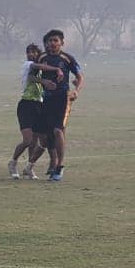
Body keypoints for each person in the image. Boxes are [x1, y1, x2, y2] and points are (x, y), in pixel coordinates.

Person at [35, 30, 83, 182]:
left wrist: (76, 90)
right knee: (46, 135)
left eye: (55, 40)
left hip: (63, 99)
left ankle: (59, 166)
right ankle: (53, 161)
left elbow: (80, 77)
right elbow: (32, 76)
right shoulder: (42, 57)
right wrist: (43, 81)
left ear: (62, 42)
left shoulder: (67, 58)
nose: (52, 43)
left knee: (58, 130)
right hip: (46, 99)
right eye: (50, 41)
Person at [9, 43, 48, 180]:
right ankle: (13, 163)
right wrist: (54, 68)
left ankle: (29, 167)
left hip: (39, 105)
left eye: (34, 52)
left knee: (38, 140)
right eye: (29, 52)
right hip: (26, 104)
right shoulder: (29, 65)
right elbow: (33, 75)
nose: (31, 54)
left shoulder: (42, 69)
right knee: (27, 140)